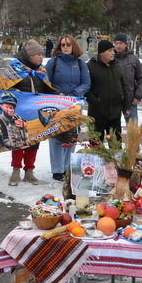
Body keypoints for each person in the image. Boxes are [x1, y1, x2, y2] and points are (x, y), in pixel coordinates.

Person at [0, 39, 57, 185]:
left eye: (42, 55)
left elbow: (48, 88)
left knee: (34, 142)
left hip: (36, 113)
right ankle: (16, 171)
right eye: (39, 54)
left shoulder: (40, 70)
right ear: (30, 56)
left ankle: (29, 171)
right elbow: (1, 86)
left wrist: (57, 94)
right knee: (18, 141)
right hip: (19, 112)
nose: (42, 57)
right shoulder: (14, 68)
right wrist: (13, 91)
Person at [45, 35, 90, 181]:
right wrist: (58, 94)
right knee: (56, 136)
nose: (65, 47)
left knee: (72, 135)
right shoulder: (53, 62)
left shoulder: (80, 63)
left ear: (73, 46)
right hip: (57, 104)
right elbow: (46, 82)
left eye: (68, 44)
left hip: (74, 104)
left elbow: (86, 82)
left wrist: (75, 94)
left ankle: (67, 168)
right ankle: (57, 170)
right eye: (63, 44)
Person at [87, 39, 130, 149]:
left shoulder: (116, 66)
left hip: (114, 114)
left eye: (113, 50)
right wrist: (95, 101)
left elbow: (123, 86)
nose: (113, 52)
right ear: (101, 53)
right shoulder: (90, 66)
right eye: (110, 50)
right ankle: (96, 166)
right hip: (97, 114)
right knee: (96, 146)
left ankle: (116, 166)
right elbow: (86, 88)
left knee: (116, 145)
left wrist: (126, 105)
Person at [113, 34, 142, 121]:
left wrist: (138, 96)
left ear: (126, 44)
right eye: (116, 43)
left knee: (133, 129)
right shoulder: (111, 59)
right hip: (114, 101)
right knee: (114, 130)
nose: (118, 46)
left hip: (131, 100)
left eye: (120, 43)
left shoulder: (133, 59)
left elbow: (141, 78)